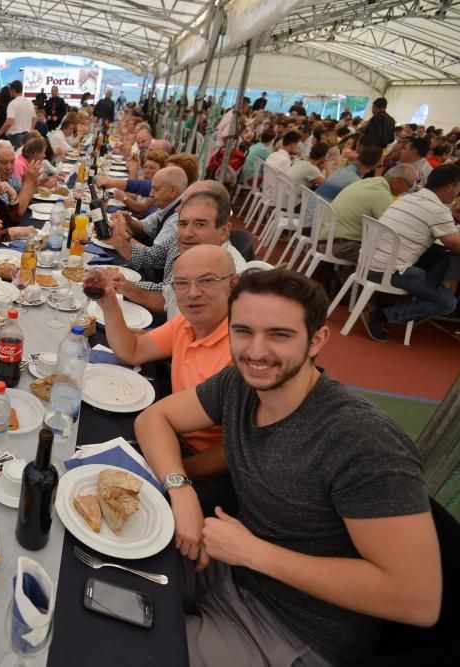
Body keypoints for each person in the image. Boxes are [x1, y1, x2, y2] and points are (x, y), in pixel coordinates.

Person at [135, 268, 440, 667]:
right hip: (227, 567)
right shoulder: (241, 383)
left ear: (317, 341)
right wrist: (180, 489)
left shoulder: (362, 441)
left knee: (126, 652)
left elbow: (416, 599)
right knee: (99, 572)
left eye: (279, 334)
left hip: (291, 631)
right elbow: (153, 419)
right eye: (243, 331)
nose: (256, 351)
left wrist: (255, 554)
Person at [99, 244, 237, 513]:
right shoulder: (186, 322)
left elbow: (230, 453)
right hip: (167, 438)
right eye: (182, 283)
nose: (193, 292)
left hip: (204, 469)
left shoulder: (243, 350)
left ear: (234, 284)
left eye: (207, 281)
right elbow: (132, 351)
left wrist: (171, 473)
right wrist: (109, 303)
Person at [106, 181, 247, 317]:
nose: (187, 233)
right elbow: (153, 262)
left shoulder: (229, 280)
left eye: (200, 224)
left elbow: (169, 309)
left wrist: (128, 289)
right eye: (183, 223)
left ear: (223, 231)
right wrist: (118, 240)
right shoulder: (188, 242)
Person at [364, 165, 460, 342]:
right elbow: (455, 245)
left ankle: (382, 304)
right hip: (387, 271)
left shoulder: (409, 198)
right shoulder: (438, 210)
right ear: (450, 187)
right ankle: (380, 316)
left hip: (368, 263)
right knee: (447, 303)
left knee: (433, 259)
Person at [327, 164, 418, 262]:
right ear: (398, 181)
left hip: (326, 238)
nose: (408, 190)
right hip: (339, 246)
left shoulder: (371, 182)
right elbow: (395, 230)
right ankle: (356, 276)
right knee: (389, 259)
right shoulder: (381, 194)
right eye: (410, 185)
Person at [112, 165, 188, 246]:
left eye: (156, 189)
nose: (151, 194)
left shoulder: (176, 218)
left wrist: (122, 236)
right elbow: (144, 226)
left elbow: (153, 256)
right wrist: (128, 220)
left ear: (173, 191)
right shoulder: (167, 205)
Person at [315, 144, 383, 202]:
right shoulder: (356, 182)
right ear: (375, 165)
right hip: (320, 214)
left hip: (309, 207)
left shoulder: (344, 170)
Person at [2, 80, 35, 149]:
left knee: (16, 158)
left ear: (13, 90)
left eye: (10, 90)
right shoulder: (30, 103)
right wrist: (30, 130)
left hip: (15, 137)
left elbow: (9, 122)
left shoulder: (13, 103)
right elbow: (34, 119)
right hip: (27, 136)